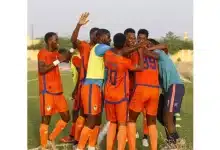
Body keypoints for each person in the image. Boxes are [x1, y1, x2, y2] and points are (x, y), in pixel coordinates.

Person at [76, 28, 112, 150]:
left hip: (97, 87)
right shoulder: (99, 47)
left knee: (97, 120)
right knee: (91, 120)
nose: (110, 39)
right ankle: (80, 147)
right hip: (91, 87)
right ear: (100, 38)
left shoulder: (101, 48)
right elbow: (117, 49)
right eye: (108, 37)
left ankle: (91, 146)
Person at [147, 39, 185, 149]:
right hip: (167, 90)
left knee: (167, 117)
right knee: (162, 116)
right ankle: (173, 141)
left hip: (173, 86)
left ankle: (174, 144)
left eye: (149, 44)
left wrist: (145, 48)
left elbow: (164, 45)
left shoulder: (160, 53)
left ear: (155, 46)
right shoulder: (154, 59)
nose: (147, 47)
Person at [70, 12, 100, 148]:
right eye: (97, 35)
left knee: (93, 115)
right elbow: (73, 40)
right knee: (86, 114)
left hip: (97, 86)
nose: (99, 37)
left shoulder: (100, 49)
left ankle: (87, 142)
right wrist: (78, 25)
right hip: (86, 85)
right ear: (92, 36)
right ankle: (78, 141)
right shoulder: (85, 46)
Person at [127, 33, 160, 150]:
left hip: (142, 87)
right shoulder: (155, 54)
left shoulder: (135, 51)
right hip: (155, 89)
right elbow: (158, 56)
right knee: (151, 122)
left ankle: (132, 148)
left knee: (131, 119)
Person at [38, 32, 70, 150]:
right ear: (49, 41)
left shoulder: (56, 53)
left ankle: (51, 139)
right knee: (46, 119)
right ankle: (44, 146)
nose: (58, 42)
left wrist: (69, 52)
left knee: (66, 117)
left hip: (58, 92)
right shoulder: (42, 53)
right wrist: (57, 61)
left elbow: (66, 59)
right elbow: (42, 69)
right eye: (56, 40)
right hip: (47, 92)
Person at [59, 48, 81, 143]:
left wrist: (76, 90)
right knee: (78, 112)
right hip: (82, 88)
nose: (62, 60)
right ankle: (77, 136)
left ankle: (74, 137)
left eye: (61, 57)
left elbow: (81, 72)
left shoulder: (75, 59)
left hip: (81, 89)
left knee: (76, 112)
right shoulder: (73, 59)